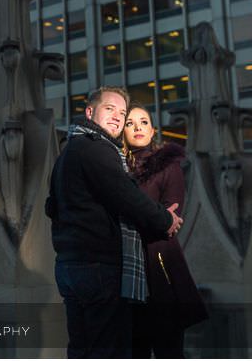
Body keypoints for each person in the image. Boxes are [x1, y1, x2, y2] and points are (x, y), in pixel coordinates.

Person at [46, 87, 183, 358]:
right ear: (90, 112)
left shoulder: (68, 152)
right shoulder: (95, 147)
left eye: (122, 112)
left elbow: (52, 206)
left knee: (82, 348)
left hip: (69, 265)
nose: (118, 118)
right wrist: (164, 218)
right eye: (110, 109)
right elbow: (126, 195)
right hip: (97, 266)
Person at [123, 103, 208, 358]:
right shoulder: (115, 168)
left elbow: (171, 222)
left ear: (153, 131)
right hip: (124, 270)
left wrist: (154, 219)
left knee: (167, 348)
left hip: (160, 268)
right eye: (130, 123)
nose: (138, 127)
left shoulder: (167, 167)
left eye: (144, 122)